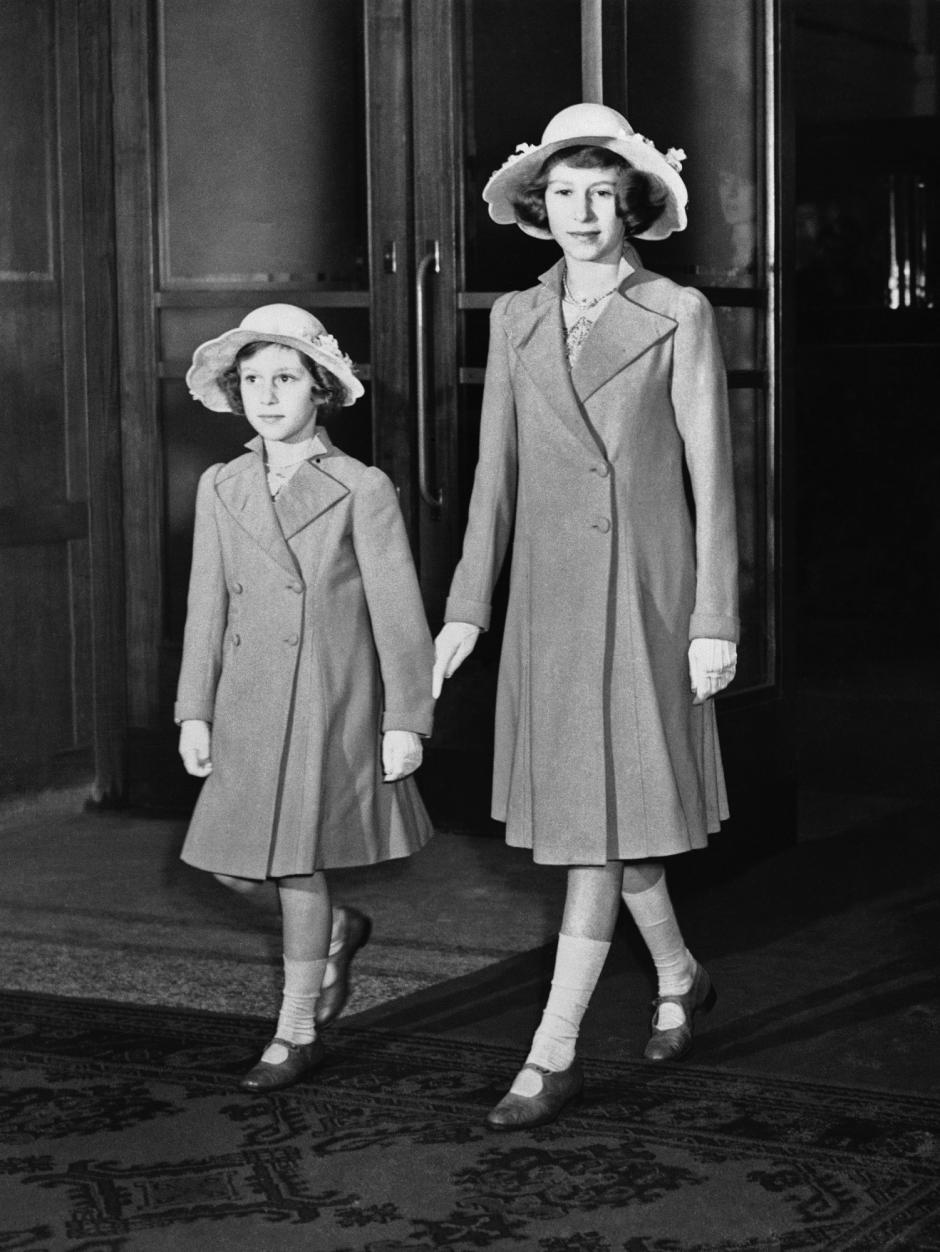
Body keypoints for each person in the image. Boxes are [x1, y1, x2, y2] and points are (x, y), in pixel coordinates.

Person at [433, 104, 739, 1130]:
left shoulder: (679, 311)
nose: (581, 210)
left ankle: (550, 1050)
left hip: (647, 596)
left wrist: (713, 617)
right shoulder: (514, 318)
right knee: (598, 817)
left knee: (595, 830)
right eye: (562, 191)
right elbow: (494, 481)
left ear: (633, 204)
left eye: (601, 191)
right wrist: (467, 607)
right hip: (552, 607)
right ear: (537, 204)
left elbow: (712, 477)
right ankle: (680, 972)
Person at [177, 303, 434, 1092]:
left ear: (320, 388)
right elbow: (206, 605)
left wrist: (407, 720)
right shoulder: (221, 487)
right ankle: (337, 933)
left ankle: (294, 1035)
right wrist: (195, 708)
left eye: (284, 378)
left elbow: (398, 613)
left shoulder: (360, 487)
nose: (266, 394)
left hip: (328, 695)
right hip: (248, 697)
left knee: (295, 867)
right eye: (251, 379)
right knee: (226, 865)